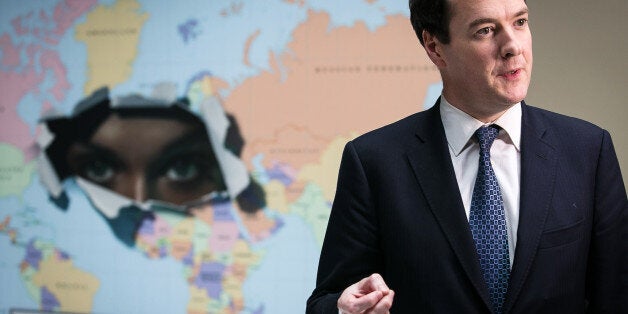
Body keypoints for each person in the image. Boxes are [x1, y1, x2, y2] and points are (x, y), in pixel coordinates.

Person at [307, 0, 628, 312]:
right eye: (486, 30)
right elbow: (328, 300)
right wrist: (343, 310)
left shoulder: (589, 151)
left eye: (520, 22)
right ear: (434, 47)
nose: (513, 46)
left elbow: (616, 297)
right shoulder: (373, 162)